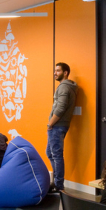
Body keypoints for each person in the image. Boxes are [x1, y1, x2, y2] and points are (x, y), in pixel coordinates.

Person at [46, 62, 78, 192]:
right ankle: (57, 182)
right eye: (55, 71)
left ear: (65, 73)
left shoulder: (64, 87)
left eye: (58, 71)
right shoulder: (68, 87)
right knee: (50, 153)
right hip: (59, 125)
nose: (55, 73)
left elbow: (61, 108)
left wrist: (50, 123)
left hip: (57, 126)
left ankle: (58, 185)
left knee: (56, 155)